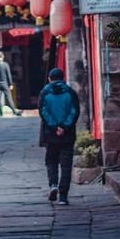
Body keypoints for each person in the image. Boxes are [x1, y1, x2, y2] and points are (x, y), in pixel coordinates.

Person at [38, 67, 81, 204]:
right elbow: (74, 111)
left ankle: (53, 185)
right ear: (63, 78)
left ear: (49, 79)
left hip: (51, 135)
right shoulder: (70, 92)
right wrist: (64, 126)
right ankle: (63, 196)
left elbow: (43, 112)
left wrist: (54, 126)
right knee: (66, 165)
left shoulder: (44, 93)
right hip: (67, 135)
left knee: (51, 161)